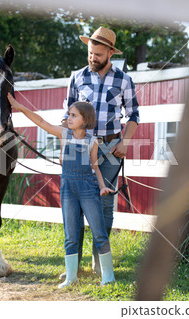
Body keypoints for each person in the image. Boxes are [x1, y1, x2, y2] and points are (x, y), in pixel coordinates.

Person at [7, 93, 116, 287]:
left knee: (99, 232)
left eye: (73, 115)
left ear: (85, 120)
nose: (68, 118)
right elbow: (40, 121)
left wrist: (102, 186)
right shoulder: (64, 134)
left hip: (88, 189)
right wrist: (19, 106)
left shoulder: (93, 141)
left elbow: (95, 167)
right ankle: (71, 276)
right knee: (70, 233)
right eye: (69, 114)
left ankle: (108, 275)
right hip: (67, 188)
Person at [61, 26, 140, 275]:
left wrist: (125, 142)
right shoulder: (77, 77)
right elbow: (67, 115)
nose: (92, 58)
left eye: (97, 54)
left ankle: (99, 263)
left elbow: (134, 114)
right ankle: (74, 266)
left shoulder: (124, 80)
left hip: (110, 148)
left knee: (104, 205)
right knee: (75, 202)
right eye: (90, 53)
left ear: (110, 53)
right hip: (79, 146)